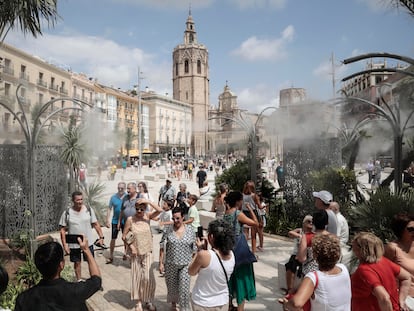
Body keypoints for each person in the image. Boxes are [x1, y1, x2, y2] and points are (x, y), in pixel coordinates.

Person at [15, 240, 101, 311]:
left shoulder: (24, 299)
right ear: (61, 265)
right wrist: (86, 250)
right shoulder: (75, 291)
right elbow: (96, 280)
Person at [280, 234, 351, 311]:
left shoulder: (313, 277)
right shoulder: (343, 269)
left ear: (314, 255)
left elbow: (296, 304)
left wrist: (286, 304)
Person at [352, 232, 411, 311]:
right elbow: (406, 277)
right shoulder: (384, 261)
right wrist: (402, 300)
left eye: (354, 246)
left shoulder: (364, 270)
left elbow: (384, 297)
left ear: (361, 249)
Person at [122, 198, 163, 311]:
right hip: (135, 253)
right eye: (137, 209)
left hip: (148, 251)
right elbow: (124, 235)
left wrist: (148, 201)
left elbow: (160, 210)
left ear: (145, 209)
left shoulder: (147, 216)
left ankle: (148, 299)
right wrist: (131, 247)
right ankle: (139, 302)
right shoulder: (130, 220)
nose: (139, 211)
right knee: (137, 277)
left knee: (148, 278)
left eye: (141, 209)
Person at [223, 191, 259, 311]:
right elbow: (256, 223)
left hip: (229, 249)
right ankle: (240, 308)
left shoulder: (226, 214)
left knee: (231, 278)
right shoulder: (238, 214)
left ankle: (229, 306)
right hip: (240, 252)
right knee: (241, 280)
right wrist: (251, 209)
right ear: (238, 201)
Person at [189, 219, 236, 311]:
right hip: (222, 302)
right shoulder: (231, 254)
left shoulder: (203, 255)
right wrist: (206, 249)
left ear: (211, 237)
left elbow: (191, 271)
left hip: (203, 303)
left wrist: (199, 250)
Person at [59, 191, 104, 281]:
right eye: (77, 200)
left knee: (91, 262)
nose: (80, 201)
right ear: (73, 200)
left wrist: (101, 237)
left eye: (81, 199)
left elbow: (95, 224)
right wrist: (65, 245)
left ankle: (94, 280)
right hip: (74, 243)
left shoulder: (88, 210)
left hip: (88, 242)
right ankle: (79, 280)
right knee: (77, 263)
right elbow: (62, 230)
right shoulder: (67, 212)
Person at [159, 207, 196, 311]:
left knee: (184, 289)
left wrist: (194, 264)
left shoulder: (190, 230)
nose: (175, 221)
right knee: (172, 288)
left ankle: (185, 308)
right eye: (173, 218)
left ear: (183, 217)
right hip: (170, 264)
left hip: (185, 265)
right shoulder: (168, 229)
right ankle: (174, 305)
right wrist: (161, 263)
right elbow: (162, 246)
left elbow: (195, 248)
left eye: (178, 218)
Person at [385, 212, 414, 308]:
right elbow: (385, 274)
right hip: (405, 299)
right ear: (400, 230)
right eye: (411, 229)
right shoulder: (392, 248)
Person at [285, 215, 313, 294]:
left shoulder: (313, 233)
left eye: (312, 222)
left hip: (307, 255)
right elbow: (290, 233)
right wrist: (300, 236)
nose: (310, 223)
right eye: (308, 221)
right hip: (296, 254)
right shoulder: (300, 231)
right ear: (304, 223)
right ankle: (289, 289)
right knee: (290, 266)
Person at [296, 210, 329, 276]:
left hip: (311, 273)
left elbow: (302, 258)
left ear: (313, 223)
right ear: (327, 222)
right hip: (327, 272)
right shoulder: (332, 238)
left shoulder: (307, 237)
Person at [105, 182, 127, 264]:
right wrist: (107, 220)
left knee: (126, 238)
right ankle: (111, 255)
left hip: (125, 221)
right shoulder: (113, 197)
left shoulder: (127, 197)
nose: (120, 190)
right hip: (115, 220)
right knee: (113, 238)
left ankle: (126, 253)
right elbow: (109, 208)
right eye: (119, 188)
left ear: (124, 188)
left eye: (122, 188)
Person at [118, 182, 140, 260]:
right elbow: (121, 210)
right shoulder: (125, 198)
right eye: (127, 188)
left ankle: (134, 255)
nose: (127, 190)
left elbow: (145, 212)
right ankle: (126, 253)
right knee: (126, 238)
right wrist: (119, 222)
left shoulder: (140, 198)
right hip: (126, 223)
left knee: (134, 240)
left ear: (134, 189)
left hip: (136, 224)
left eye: (129, 189)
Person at [241, 180, 261, 255]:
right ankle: (253, 251)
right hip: (253, 213)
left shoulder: (242, 195)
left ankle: (244, 250)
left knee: (245, 233)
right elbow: (259, 206)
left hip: (245, 213)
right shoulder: (254, 196)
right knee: (253, 235)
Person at [155, 199, 174, 275]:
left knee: (167, 248)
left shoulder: (170, 213)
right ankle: (161, 263)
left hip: (169, 232)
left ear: (169, 207)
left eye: (165, 204)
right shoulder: (163, 212)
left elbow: (172, 221)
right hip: (164, 232)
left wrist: (164, 223)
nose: (163, 205)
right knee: (162, 247)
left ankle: (166, 265)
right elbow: (157, 218)